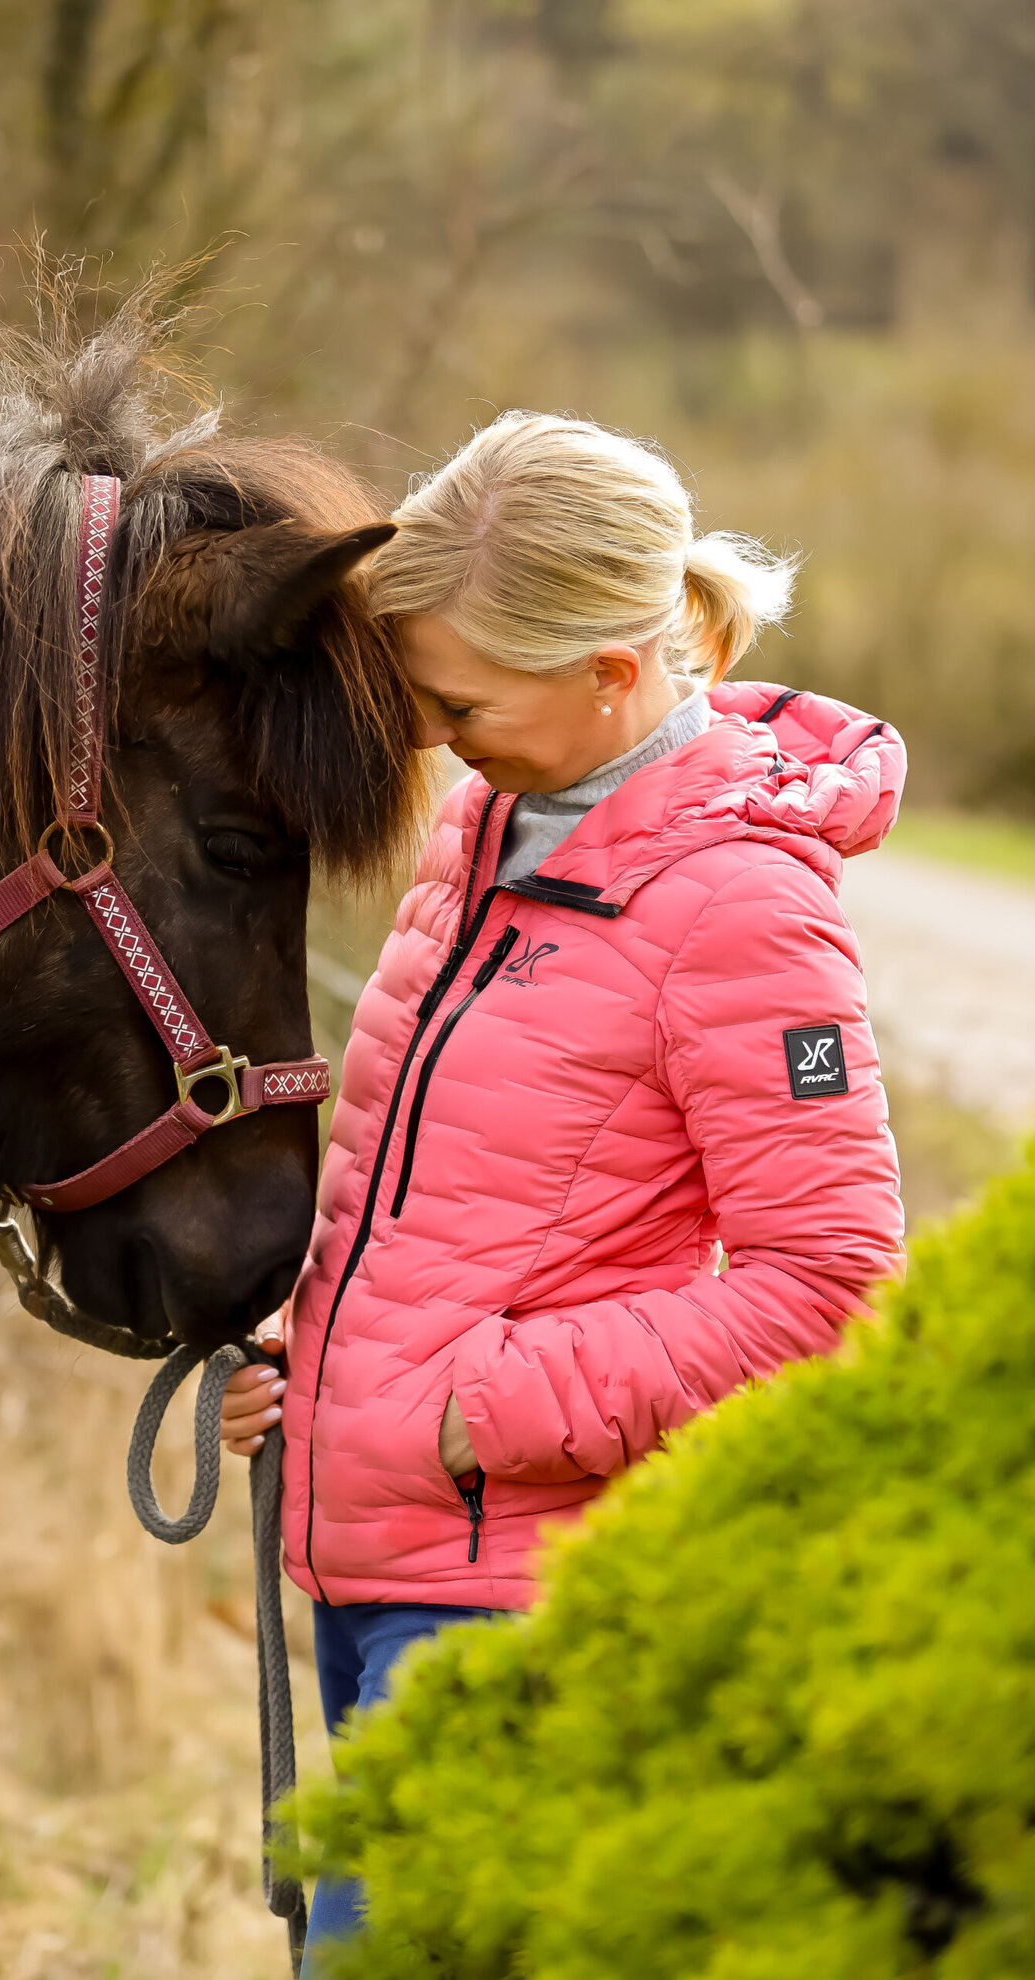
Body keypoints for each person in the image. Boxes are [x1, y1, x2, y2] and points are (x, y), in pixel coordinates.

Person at [219, 411, 906, 1971]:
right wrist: (319, 1357)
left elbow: (830, 1282)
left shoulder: (738, 905)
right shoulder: (488, 827)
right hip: (387, 1562)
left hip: (521, 1596)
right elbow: (465, 1200)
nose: (427, 734)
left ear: (607, 670)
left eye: (459, 703)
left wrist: (482, 1410)